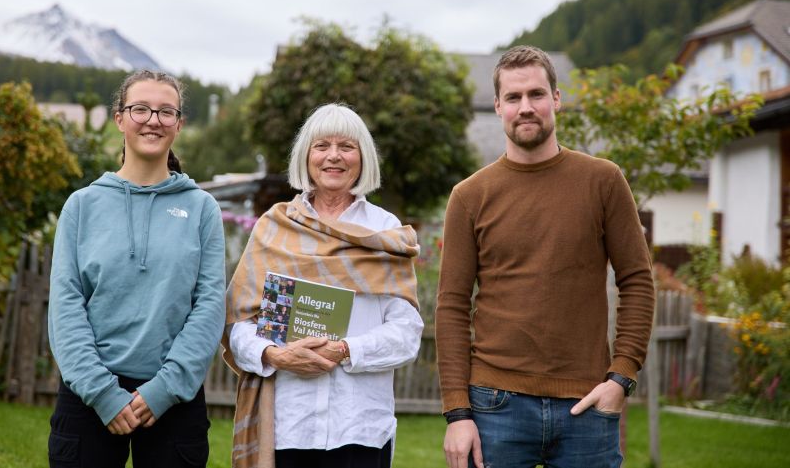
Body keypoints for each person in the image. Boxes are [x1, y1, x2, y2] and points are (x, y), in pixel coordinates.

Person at [436, 45, 655, 468]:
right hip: (494, 406)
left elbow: (638, 280)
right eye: (514, 98)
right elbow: (450, 306)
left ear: (557, 99)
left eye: (536, 94)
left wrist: (621, 377)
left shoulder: (604, 181)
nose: (526, 108)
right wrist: (457, 413)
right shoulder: (469, 197)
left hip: (587, 403)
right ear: (498, 106)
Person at [223, 103, 423, 468]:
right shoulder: (274, 228)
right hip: (287, 427)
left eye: (346, 147)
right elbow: (238, 327)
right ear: (306, 155)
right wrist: (275, 356)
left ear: (363, 157)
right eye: (322, 146)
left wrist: (345, 350)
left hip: (360, 427)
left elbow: (407, 335)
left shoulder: (384, 231)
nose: (334, 156)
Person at [47, 70, 226, 468]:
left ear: (179, 124)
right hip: (88, 397)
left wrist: (165, 388)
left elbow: (210, 305)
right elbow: (65, 305)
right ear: (120, 118)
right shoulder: (82, 206)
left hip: (173, 398)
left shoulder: (201, 209)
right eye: (140, 108)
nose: (153, 120)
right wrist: (102, 393)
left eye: (166, 112)